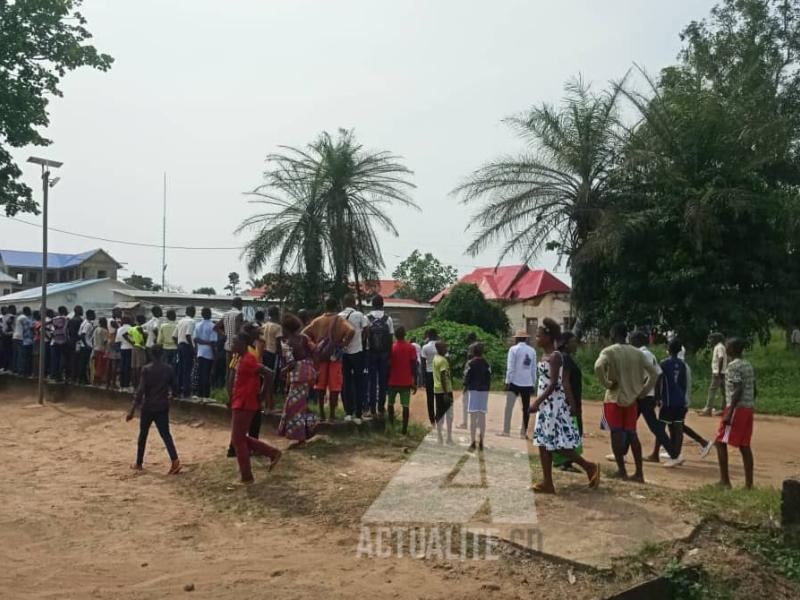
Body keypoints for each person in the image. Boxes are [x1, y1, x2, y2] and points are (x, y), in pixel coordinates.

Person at [531, 319, 600, 493]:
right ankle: (548, 482)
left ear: (548, 337)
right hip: (545, 405)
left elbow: (555, 383)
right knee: (542, 442)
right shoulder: (544, 356)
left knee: (554, 444)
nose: (536, 338)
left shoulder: (556, 357)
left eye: (539, 335)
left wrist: (537, 402)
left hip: (553, 404)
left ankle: (589, 466)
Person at [594, 322, 660, 483]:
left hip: (615, 398)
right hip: (632, 399)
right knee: (632, 434)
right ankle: (639, 472)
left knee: (616, 434)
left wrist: (607, 384)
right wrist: (643, 391)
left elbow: (598, 366)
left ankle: (622, 470)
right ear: (627, 335)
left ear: (612, 336)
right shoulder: (638, 353)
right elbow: (654, 373)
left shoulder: (609, 351)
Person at [229, 333, 281, 483]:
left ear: (243, 344)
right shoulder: (242, 359)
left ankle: (247, 476)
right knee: (239, 438)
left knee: (238, 440)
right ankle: (272, 453)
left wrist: (262, 395)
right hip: (241, 401)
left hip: (245, 403)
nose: (232, 345)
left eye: (234, 342)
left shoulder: (248, 360)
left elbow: (269, 374)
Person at [125, 344, 181, 474]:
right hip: (162, 406)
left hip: (148, 406)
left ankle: (139, 463)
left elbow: (141, 390)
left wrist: (133, 409)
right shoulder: (169, 369)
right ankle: (175, 461)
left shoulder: (146, 369)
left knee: (143, 435)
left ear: (151, 354)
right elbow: (176, 389)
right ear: (162, 354)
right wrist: (171, 396)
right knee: (166, 435)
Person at [630, 330, 683, 467]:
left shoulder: (642, 354)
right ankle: (621, 451)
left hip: (645, 396)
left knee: (654, 427)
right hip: (645, 395)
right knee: (629, 423)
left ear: (635, 341)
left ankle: (674, 454)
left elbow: (656, 375)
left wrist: (646, 391)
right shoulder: (647, 353)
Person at [303, 297, 355, 422]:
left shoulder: (318, 321)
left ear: (325, 307)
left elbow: (303, 333)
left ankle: (321, 413)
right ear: (337, 307)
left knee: (320, 386)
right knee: (334, 387)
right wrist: (343, 343)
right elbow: (351, 331)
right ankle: (332, 414)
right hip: (334, 358)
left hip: (320, 357)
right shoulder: (340, 320)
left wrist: (313, 345)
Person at [715, 338, 756, 489]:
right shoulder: (747, 364)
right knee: (745, 445)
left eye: (727, 346)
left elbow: (737, 389)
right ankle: (749, 484)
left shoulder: (732, 366)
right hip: (748, 407)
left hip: (736, 408)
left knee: (720, 442)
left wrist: (729, 411)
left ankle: (725, 481)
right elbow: (753, 388)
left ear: (732, 349)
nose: (725, 348)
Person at [279, 313, 319, 447]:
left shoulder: (287, 343)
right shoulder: (304, 337)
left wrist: (283, 371)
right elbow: (315, 350)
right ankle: (309, 427)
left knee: (293, 407)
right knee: (301, 405)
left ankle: (301, 438)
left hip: (298, 377)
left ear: (286, 329)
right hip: (309, 373)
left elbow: (290, 363)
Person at [555, 331, 584, 471]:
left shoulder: (564, 357)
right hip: (569, 402)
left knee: (571, 431)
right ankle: (566, 463)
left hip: (569, 400)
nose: (576, 344)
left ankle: (566, 462)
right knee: (572, 431)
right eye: (573, 342)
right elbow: (565, 382)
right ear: (565, 344)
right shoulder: (565, 358)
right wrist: (572, 404)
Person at [500, 330, 537, 438]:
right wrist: (533, 383)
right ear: (526, 339)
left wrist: (507, 382)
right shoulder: (532, 351)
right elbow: (533, 369)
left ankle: (506, 431)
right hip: (527, 383)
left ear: (516, 339)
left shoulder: (513, 349)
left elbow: (510, 367)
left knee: (509, 407)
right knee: (526, 408)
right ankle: (523, 433)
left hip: (514, 382)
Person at [339, 294, 369, 424]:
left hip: (344, 353)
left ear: (344, 303)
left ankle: (348, 413)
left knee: (346, 382)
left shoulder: (339, 317)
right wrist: (361, 340)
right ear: (354, 302)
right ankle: (358, 414)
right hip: (357, 352)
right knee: (359, 383)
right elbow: (367, 329)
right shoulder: (359, 315)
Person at [365, 295, 394, 418]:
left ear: (372, 304)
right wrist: (389, 356)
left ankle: (372, 408)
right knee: (382, 382)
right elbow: (391, 339)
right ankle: (381, 408)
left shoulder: (367, 318)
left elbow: (364, 338)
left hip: (371, 354)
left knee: (372, 381)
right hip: (384, 355)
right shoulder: (388, 319)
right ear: (382, 304)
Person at [386, 325, 417, 434]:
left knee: (390, 404)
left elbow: (388, 364)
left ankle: (391, 425)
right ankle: (404, 429)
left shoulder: (391, 347)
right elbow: (414, 365)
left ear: (395, 335)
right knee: (405, 406)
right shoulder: (411, 347)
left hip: (392, 381)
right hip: (406, 381)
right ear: (405, 335)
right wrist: (414, 381)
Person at [464, 342, 491, 451]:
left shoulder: (470, 363)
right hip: (484, 391)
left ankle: (472, 442)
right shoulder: (487, 364)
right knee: (482, 416)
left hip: (473, 391)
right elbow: (489, 378)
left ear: (473, 351)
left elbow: (466, 378)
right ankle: (481, 442)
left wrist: (466, 387)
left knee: (473, 417)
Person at [260, 305, 283, 411]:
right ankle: (269, 405)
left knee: (265, 379)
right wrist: (282, 356)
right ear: (277, 314)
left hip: (264, 353)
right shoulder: (278, 327)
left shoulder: (265, 325)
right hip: (273, 354)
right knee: (271, 380)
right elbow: (278, 344)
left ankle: (262, 403)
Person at [700, 333, 727, 416]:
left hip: (718, 372)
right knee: (724, 392)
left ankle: (708, 409)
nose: (710, 341)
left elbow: (721, 358)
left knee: (712, 390)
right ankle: (724, 409)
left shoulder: (719, 347)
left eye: (711, 339)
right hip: (723, 372)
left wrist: (718, 371)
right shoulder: (721, 346)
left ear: (716, 339)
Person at [220, 297, 244, 392]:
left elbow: (216, 327)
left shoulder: (225, 314)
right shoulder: (239, 314)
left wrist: (224, 335)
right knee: (233, 369)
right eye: (242, 304)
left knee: (228, 369)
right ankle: (231, 391)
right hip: (236, 347)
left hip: (227, 345)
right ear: (239, 304)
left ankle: (226, 390)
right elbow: (239, 330)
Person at [432, 340, 454, 444]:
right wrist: (446, 393)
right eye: (445, 347)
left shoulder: (435, 358)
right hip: (445, 390)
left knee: (439, 413)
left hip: (437, 389)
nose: (447, 349)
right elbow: (443, 377)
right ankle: (448, 437)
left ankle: (439, 436)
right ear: (440, 349)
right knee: (449, 415)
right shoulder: (443, 361)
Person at [194, 307, 217, 398]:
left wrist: (197, 351)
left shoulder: (197, 325)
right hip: (209, 353)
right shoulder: (212, 326)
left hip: (200, 352)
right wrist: (215, 355)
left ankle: (200, 394)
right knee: (207, 375)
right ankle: (206, 395)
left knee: (200, 374)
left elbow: (196, 339)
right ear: (210, 314)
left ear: (202, 315)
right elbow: (213, 342)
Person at [459, 332, 479, 429]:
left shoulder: (469, 363)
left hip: (469, 385)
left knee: (466, 402)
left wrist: (464, 385)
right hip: (479, 385)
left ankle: (465, 423)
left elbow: (466, 376)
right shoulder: (483, 362)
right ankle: (476, 422)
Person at [175, 306, 197, 397]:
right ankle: (186, 391)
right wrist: (193, 350)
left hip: (180, 346)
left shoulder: (180, 321)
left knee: (180, 369)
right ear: (193, 312)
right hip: (187, 347)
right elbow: (188, 335)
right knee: (187, 370)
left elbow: (174, 336)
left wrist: (178, 346)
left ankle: (178, 390)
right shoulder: (192, 321)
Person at [420, 329, 439, 424]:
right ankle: (439, 417)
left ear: (429, 336)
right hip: (439, 374)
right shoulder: (441, 346)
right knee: (439, 396)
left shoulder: (425, 347)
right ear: (436, 336)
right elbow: (447, 360)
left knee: (430, 397)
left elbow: (423, 364)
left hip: (429, 373)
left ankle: (432, 419)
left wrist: (423, 378)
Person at [65, 305, 84, 383]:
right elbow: (80, 333)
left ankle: (70, 376)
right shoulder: (80, 320)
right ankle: (76, 377)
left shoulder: (71, 320)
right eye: (81, 310)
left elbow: (67, 331)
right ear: (79, 311)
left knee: (71, 360)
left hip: (71, 341)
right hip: (77, 342)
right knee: (77, 360)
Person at [77, 309, 96, 384]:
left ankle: (81, 379)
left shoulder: (84, 322)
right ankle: (84, 380)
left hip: (83, 345)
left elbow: (79, 334)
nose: (95, 316)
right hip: (86, 346)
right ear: (90, 315)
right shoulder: (88, 324)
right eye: (94, 314)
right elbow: (82, 335)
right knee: (85, 364)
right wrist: (86, 345)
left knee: (82, 363)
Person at [106, 308, 122, 389]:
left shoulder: (110, 320)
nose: (120, 314)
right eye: (119, 312)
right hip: (114, 342)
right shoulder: (112, 321)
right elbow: (119, 329)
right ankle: (113, 382)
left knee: (110, 363)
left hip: (110, 341)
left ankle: (108, 382)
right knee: (114, 364)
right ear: (115, 313)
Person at [117, 315, 134, 391]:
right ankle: (127, 384)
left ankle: (122, 384)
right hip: (130, 348)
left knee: (122, 366)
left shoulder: (119, 329)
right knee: (128, 367)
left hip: (122, 348)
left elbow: (117, 341)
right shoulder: (131, 328)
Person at [92, 317, 109, 385]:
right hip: (102, 349)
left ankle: (95, 379)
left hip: (95, 348)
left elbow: (93, 339)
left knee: (96, 365)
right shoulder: (104, 331)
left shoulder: (96, 329)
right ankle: (99, 380)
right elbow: (105, 341)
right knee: (101, 365)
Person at [0, 305, 14, 373]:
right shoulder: (1, 317)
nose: (6, 310)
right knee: (4, 352)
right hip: (3, 336)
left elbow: (11, 325)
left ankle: (8, 367)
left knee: (8, 352)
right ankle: (4, 366)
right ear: (2, 310)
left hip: (9, 335)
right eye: (5, 309)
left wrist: (6, 332)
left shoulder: (10, 316)